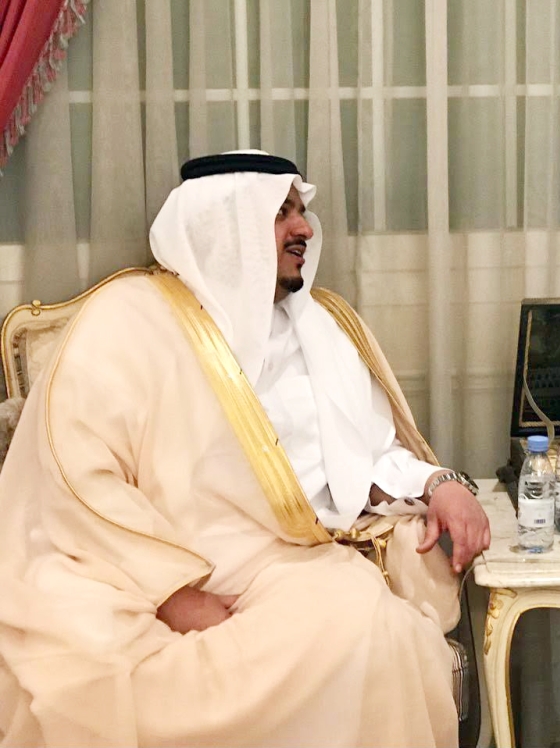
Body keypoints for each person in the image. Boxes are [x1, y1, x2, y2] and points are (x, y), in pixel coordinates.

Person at [0, 151, 490, 746]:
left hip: (288, 560)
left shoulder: (319, 327)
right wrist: (175, 597)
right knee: (101, 669)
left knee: (366, 622)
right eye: (281, 213)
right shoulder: (129, 319)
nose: (304, 228)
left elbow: (363, 456)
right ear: (224, 225)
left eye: (301, 211)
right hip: (152, 567)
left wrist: (440, 485)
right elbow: (76, 477)